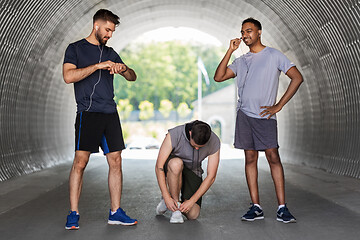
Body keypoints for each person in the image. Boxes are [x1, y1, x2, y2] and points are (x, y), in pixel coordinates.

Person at [214, 17, 303, 223]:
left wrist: (279, 105)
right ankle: (256, 207)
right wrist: (230, 51)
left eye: (249, 31)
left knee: (273, 157)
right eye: (243, 32)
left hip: (265, 116)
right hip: (244, 115)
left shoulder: (273, 55)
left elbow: (297, 77)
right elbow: (218, 77)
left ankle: (282, 208)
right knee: (250, 159)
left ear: (259, 32)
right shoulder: (241, 61)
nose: (245, 35)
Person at [63, 9, 137, 230]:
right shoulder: (75, 49)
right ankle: (73, 213)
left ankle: (115, 212)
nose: (109, 35)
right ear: (96, 25)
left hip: (110, 113)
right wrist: (97, 66)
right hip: (88, 112)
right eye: (107, 30)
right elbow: (68, 76)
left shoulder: (111, 52)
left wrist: (123, 69)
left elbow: (133, 77)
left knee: (116, 161)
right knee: (80, 163)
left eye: (112, 31)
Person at [155, 120, 221, 223]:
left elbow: (211, 176)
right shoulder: (174, 134)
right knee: (176, 164)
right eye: (194, 145)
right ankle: (174, 205)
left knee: (193, 215)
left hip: (193, 170)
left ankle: (170, 203)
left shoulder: (214, 141)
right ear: (190, 133)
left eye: (200, 147)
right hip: (174, 166)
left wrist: (191, 201)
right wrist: (166, 195)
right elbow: (159, 167)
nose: (197, 148)